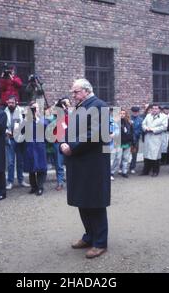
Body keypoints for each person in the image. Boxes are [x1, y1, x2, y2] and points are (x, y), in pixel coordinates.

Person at [60, 78, 110, 259]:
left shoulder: (99, 106)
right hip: (79, 162)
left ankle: (100, 242)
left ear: (87, 90)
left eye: (76, 92)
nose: (73, 95)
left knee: (95, 203)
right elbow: (68, 130)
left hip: (93, 163)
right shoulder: (81, 107)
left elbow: (96, 134)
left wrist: (72, 146)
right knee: (83, 201)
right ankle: (89, 236)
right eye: (73, 92)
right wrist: (63, 143)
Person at [22, 101, 48, 196]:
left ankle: (40, 187)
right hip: (30, 146)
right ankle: (34, 187)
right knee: (31, 167)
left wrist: (37, 119)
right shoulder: (27, 120)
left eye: (36, 108)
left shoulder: (42, 119)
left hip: (40, 145)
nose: (35, 110)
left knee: (41, 167)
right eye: (33, 108)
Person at [3, 96, 28, 190]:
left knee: (20, 161)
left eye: (12, 103)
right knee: (10, 162)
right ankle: (10, 181)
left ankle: (21, 180)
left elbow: (26, 122)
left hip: (19, 138)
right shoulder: (4, 112)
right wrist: (6, 131)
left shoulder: (21, 111)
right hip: (10, 139)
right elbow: (2, 124)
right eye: (9, 103)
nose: (10, 104)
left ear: (16, 102)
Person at [141, 104, 168, 176]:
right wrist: (146, 128)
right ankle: (145, 171)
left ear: (159, 110)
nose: (154, 110)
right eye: (153, 108)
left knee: (155, 156)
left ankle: (155, 171)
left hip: (156, 138)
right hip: (148, 137)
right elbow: (143, 124)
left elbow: (164, 127)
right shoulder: (148, 115)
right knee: (147, 155)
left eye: (156, 108)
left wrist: (153, 130)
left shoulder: (164, 117)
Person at [52, 97, 70, 190]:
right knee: (59, 163)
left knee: (69, 162)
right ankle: (60, 182)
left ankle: (71, 180)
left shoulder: (69, 116)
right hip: (57, 142)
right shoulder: (55, 117)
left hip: (68, 142)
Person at [129, 106, 142, 174]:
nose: (135, 113)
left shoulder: (140, 120)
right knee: (125, 154)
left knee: (134, 154)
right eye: (134, 112)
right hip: (127, 139)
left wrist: (135, 134)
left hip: (135, 139)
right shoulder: (128, 118)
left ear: (138, 112)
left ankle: (132, 167)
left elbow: (140, 129)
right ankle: (122, 167)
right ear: (132, 112)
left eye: (136, 112)